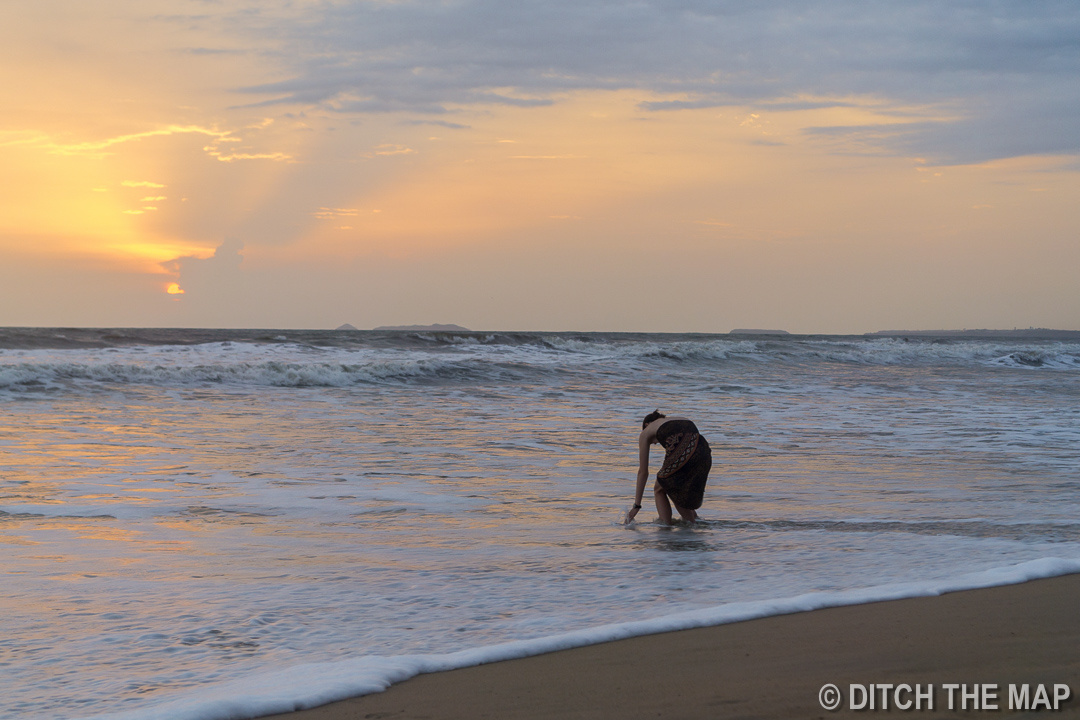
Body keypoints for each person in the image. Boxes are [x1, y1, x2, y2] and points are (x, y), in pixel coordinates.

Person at [626, 410, 712, 524]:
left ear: (647, 425)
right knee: (680, 488)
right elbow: (691, 442)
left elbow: (643, 472)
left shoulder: (646, 431)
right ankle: (694, 522)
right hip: (704, 451)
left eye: (653, 442)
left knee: (664, 487)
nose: (655, 443)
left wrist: (636, 505)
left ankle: (667, 527)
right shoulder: (677, 418)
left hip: (685, 448)